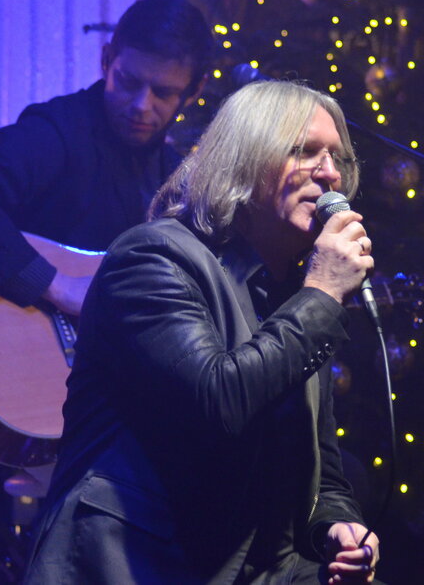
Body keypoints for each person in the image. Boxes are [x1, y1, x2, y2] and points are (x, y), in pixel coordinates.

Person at [24, 80, 383, 584]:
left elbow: (321, 470)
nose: (330, 173)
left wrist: (337, 528)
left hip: (259, 568)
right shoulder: (153, 258)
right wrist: (321, 294)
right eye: (304, 152)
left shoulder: (294, 295)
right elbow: (218, 402)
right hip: (139, 562)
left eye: (338, 157)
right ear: (245, 161)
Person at [0, 0, 213, 319]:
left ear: (194, 91)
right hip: (20, 341)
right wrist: (56, 285)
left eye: (163, 93)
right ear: (106, 60)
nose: (142, 105)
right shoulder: (58, 131)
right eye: (128, 82)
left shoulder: (175, 177)